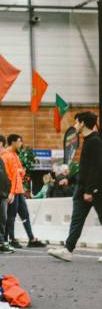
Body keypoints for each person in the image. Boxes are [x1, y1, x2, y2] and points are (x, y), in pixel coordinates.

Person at [49, 112, 102, 263]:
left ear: (83, 123)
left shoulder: (95, 141)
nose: (75, 126)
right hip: (82, 189)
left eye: (77, 122)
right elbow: (84, 168)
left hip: (93, 190)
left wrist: (89, 190)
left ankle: (68, 249)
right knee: (76, 220)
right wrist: (70, 179)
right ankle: (68, 250)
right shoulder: (88, 141)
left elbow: (96, 168)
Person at [1, 134, 45, 249]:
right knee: (11, 216)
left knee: (25, 215)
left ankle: (31, 239)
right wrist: (10, 191)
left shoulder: (15, 155)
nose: (21, 144)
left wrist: (19, 171)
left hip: (19, 190)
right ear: (13, 142)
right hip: (12, 190)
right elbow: (9, 175)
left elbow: (22, 172)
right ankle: (10, 239)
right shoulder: (6, 156)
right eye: (20, 141)